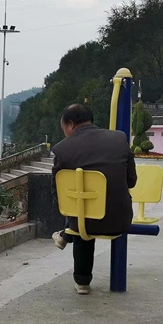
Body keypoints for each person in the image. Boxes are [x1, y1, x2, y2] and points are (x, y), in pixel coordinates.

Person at [51, 104, 137, 295]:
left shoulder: (62, 150)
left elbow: (59, 195)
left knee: (80, 213)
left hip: (83, 224)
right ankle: (67, 234)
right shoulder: (119, 139)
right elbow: (131, 180)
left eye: (63, 128)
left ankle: (82, 282)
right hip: (119, 219)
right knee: (84, 210)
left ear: (70, 124)